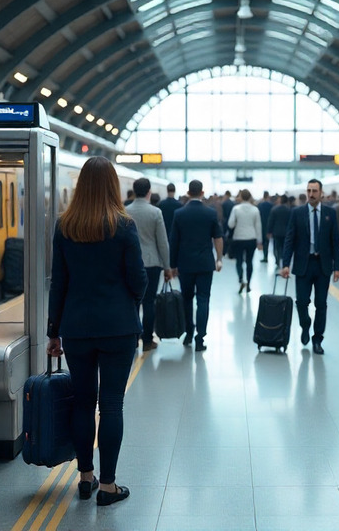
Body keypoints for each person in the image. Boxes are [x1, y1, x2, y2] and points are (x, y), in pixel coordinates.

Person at [46, 156, 145, 506]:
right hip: (118, 327)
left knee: (83, 402)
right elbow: (138, 280)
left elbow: (59, 282)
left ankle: (85, 478)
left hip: (76, 328)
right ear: (112, 186)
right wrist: (131, 301)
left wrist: (53, 331)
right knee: (112, 404)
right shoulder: (123, 226)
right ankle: (108, 485)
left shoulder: (64, 226)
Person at [280, 179, 339, 355]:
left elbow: (335, 242)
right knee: (301, 302)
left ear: (321, 193)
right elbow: (289, 240)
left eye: (314, 191)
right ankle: (305, 324)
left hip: (322, 266)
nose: (311, 194)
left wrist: (337, 266)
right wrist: (285, 264)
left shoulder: (330, 213)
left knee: (321, 304)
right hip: (303, 265)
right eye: (309, 191)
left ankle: (317, 339)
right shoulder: (297, 213)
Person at [169, 180, 224, 351]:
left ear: (188, 192)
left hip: (185, 265)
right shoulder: (210, 214)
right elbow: (218, 238)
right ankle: (201, 338)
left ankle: (189, 333)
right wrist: (219, 258)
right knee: (203, 300)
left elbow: (174, 241)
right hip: (205, 264)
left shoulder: (179, 214)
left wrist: (172, 265)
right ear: (202, 192)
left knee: (186, 299)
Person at [126, 178, 172, 351]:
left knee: (132, 302)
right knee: (149, 301)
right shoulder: (155, 212)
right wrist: (167, 267)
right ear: (149, 192)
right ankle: (147, 340)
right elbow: (162, 242)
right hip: (152, 264)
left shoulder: (125, 211)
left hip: (130, 263)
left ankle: (132, 339)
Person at [228, 189, 262, 294]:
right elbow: (258, 226)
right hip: (251, 238)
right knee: (249, 262)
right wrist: (259, 241)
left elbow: (230, 224)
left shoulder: (236, 209)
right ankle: (249, 284)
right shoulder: (255, 210)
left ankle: (241, 279)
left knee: (239, 261)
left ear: (241, 197)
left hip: (239, 238)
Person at [267, 195, 292, 264]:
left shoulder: (274, 209)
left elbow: (271, 221)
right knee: (285, 247)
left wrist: (269, 231)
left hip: (276, 232)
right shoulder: (289, 210)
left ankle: (277, 259)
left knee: (276, 247)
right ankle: (283, 259)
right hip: (286, 232)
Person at [258, 191, 273, 263]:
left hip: (261, 225)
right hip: (269, 225)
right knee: (268, 241)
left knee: (264, 241)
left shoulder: (260, 205)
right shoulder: (271, 205)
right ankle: (266, 256)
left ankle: (265, 256)